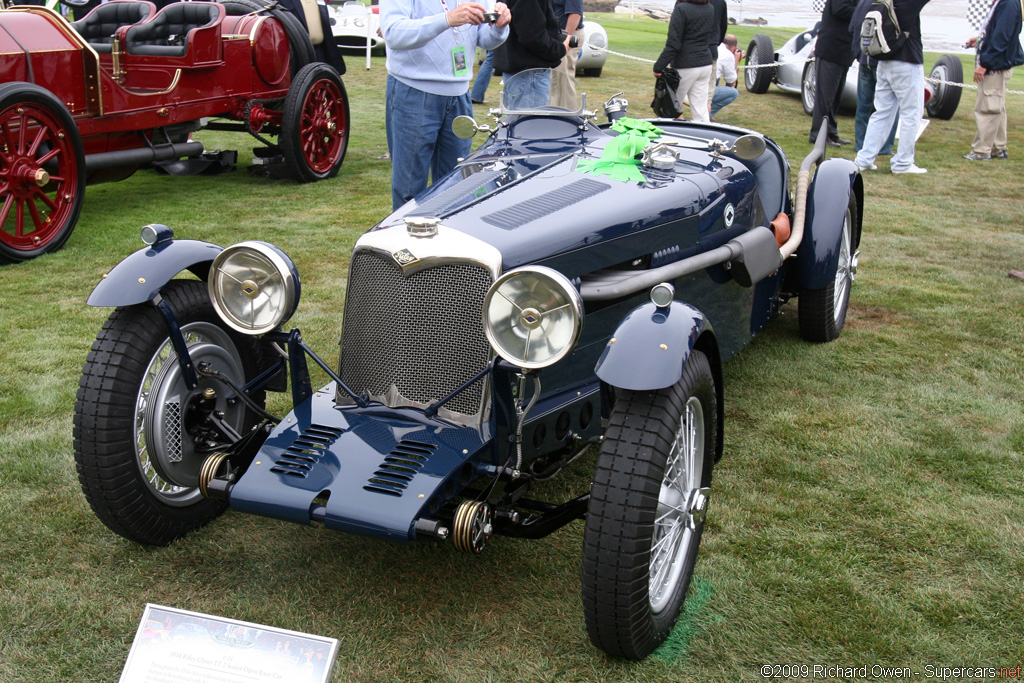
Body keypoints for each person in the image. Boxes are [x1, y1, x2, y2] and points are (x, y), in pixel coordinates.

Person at [380, 0, 510, 209]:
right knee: (410, 192)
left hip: (460, 94)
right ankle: (407, 241)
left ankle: (445, 241)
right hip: (414, 92)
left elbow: (484, 38)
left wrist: (499, 25)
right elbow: (393, 33)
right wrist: (446, 20)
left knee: (456, 189)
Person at [852, 0, 932, 174]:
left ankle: (864, 159)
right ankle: (903, 163)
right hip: (906, 63)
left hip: (883, 62)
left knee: (881, 113)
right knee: (911, 114)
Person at [962, 0, 1023, 161]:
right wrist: (979, 40)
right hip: (997, 63)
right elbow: (996, 32)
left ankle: (981, 151)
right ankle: (998, 148)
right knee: (997, 106)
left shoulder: (1008, 3)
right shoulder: (1004, 3)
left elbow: (1002, 37)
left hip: (995, 65)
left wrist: (985, 64)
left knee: (987, 107)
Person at [493, 0, 566, 110]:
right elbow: (532, 37)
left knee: (517, 123)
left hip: (519, 73)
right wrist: (561, 48)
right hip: (529, 76)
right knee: (529, 125)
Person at [652, 0, 715, 124]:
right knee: (700, 109)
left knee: (671, 106)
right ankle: (705, 137)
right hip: (705, 62)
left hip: (685, 64)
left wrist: (659, 66)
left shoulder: (682, 9)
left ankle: (670, 136)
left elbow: (673, 43)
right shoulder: (709, 8)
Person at [809, 0, 856, 146]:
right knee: (825, 97)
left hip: (844, 50)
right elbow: (839, 9)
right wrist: (863, 12)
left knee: (835, 97)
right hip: (832, 48)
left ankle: (831, 132)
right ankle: (818, 135)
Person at [853, 53, 897, 155]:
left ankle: (861, 144)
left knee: (863, 105)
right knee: (890, 106)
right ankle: (884, 146)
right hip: (883, 62)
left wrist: (859, 55)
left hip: (865, 60)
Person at [551, 0, 584, 108]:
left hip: (568, 35)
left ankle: (568, 117)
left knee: (564, 80)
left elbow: (575, 14)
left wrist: (565, 38)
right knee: (555, 80)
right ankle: (553, 114)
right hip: (557, 36)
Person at [710, 34, 743, 119]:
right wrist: (735, 60)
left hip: (692, 83)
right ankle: (707, 115)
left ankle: (705, 111)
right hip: (703, 90)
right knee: (733, 93)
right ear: (733, 47)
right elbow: (731, 82)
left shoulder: (713, 46)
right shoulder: (728, 55)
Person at [705, 0, 728, 116]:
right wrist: (716, 42)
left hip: (691, 49)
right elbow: (723, 27)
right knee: (707, 97)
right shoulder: (721, 2)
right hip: (711, 48)